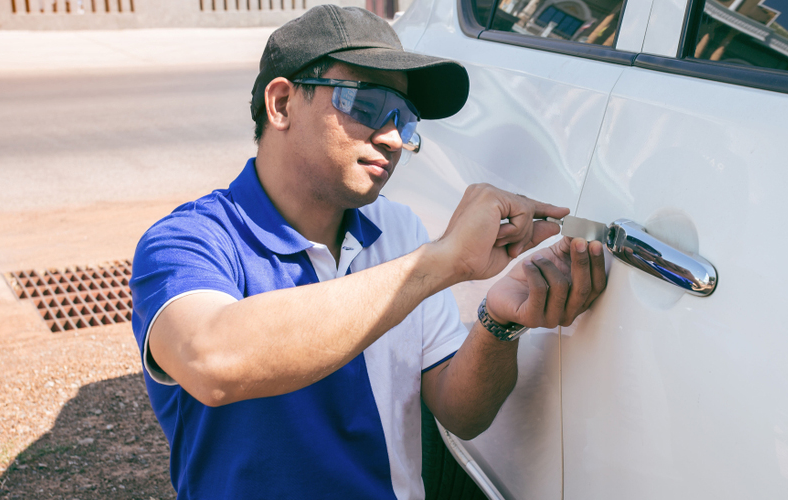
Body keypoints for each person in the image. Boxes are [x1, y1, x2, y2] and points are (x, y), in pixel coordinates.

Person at [130, 5, 607, 499]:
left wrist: (499, 323)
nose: (395, 138)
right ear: (281, 104)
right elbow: (211, 361)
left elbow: (461, 414)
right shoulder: (188, 242)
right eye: (365, 106)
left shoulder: (398, 230)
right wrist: (442, 262)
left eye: (405, 118)